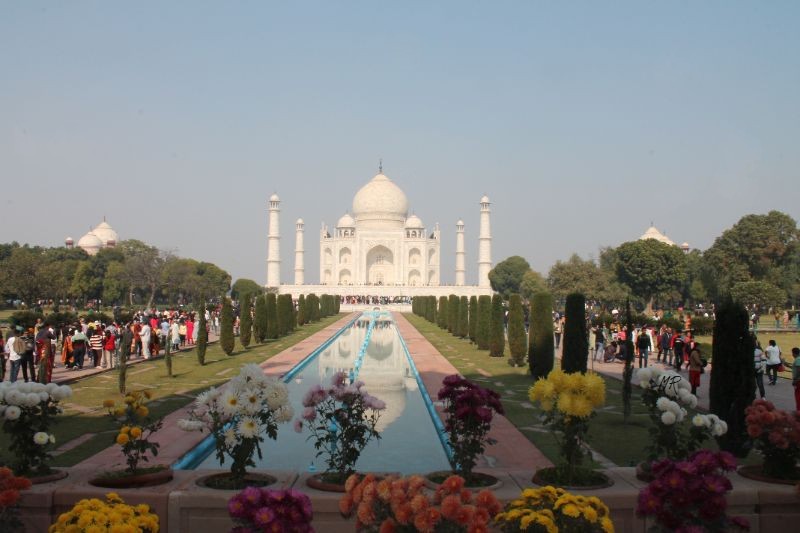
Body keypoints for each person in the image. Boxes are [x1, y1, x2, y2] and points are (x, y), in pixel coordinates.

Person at [792, 347, 800, 412]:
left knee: (798, 397)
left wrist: (795, 380)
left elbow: (798, 370)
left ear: (794, 353)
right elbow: (795, 368)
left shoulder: (798, 359)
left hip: (798, 381)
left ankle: (798, 411)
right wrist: (786, 364)